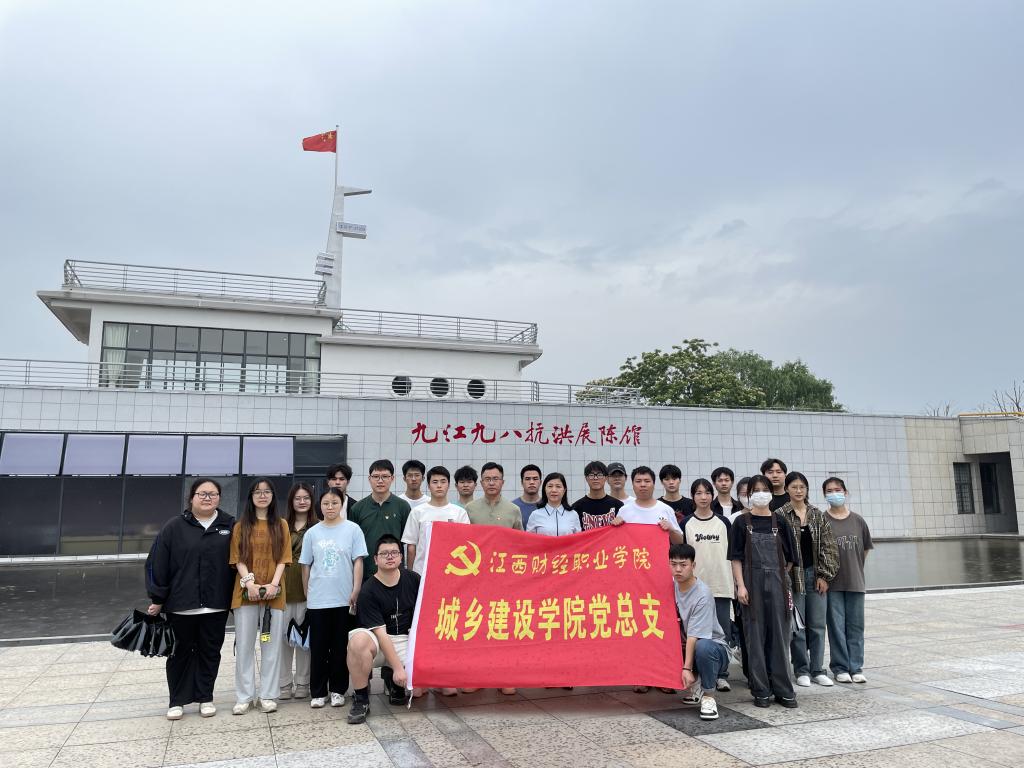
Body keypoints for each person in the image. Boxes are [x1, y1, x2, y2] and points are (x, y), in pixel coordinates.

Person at [146, 478, 235, 721]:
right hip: (181, 605)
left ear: (219, 498)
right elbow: (157, 563)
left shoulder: (229, 525)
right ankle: (177, 700)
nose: (207, 498)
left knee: (210, 652)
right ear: (192, 497)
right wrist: (158, 597)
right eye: (202, 493)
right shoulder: (174, 527)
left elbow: (238, 563)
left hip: (216, 604)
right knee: (179, 653)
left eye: (213, 494)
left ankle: (205, 697)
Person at [729, 475, 796, 708]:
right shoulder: (741, 523)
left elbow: (791, 559)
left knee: (780, 636)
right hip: (751, 585)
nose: (760, 493)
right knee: (755, 638)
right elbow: (735, 558)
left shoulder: (781, 522)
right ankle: (761, 690)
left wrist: (779, 578)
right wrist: (741, 585)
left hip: (778, 584)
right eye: (755, 490)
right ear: (749, 495)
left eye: (764, 489)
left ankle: (784, 690)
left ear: (771, 492)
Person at [299, 487, 367, 709]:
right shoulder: (312, 533)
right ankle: (318, 692)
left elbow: (358, 561)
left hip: (343, 598)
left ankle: (338, 690)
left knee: (340, 647)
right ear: (320, 506)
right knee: (318, 647)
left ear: (342, 505)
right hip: (318, 598)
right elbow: (305, 566)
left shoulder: (353, 529)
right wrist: (307, 592)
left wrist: (356, 589)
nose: (330, 507)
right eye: (326, 503)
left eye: (334, 503)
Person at [230, 478, 292, 715]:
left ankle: (267, 695)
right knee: (245, 646)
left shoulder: (281, 525)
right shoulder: (241, 526)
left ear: (273, 496)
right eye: (257, 492)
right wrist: (250, 584)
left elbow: (283, 558)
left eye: (267, 492)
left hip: (274, 594)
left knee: (270, 645)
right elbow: (238, 559)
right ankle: (244, 696)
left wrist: (273, 585)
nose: (262, 495)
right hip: (245, 593)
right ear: (251, 497)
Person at [346, 534, 422, 724]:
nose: (390, 557)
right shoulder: (368, 590)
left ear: (401, 557)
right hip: (378, 641)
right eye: (384, 553)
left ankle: (391, 680)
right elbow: (381, 634)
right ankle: (361, 698)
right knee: (358, 642)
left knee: (420, 689)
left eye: (394, 552)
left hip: (405, 638)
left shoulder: (413, 579)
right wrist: (398, 668)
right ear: (375, 559)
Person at [779, 472, 839, 689]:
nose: (798, 491)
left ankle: (817, 670)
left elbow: (829, 547)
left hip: (815, 575)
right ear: (787, 489)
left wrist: (824, 575)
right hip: (792, 577)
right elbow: (778, 549)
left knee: (818, 625)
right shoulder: (780, 515)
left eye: (802, 487)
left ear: (806, 489)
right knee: (798, 626)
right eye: (794, 487)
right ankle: (801, 670)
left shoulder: (817, 514)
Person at [682, 478, 735, 686]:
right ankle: (698, 675)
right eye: (698, 493)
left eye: (707, 493)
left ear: (712, 496)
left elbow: (733, 555)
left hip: (721, 585)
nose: (703, 497)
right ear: (692, 496)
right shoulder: (686, 523)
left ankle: (721, 675)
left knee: (721, 633)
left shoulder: (723, 522)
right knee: (695, 634)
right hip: (694, 589)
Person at [670, 543, 731, 721]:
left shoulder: (702, 595)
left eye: (683, 564)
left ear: (693, 566)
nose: (678, 569)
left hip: (714, 649)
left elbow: (694, 636)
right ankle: (697, 683)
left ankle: (709, 697)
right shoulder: (670, 586)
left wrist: (686, 668)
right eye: (673, 564)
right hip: (686, 644)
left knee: (703, 647)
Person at [823, 477, 873, 684]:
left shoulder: (858, 520)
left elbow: (865, 548)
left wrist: (855, 568)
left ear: (845, 492)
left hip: (855, 582)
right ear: (824, 495)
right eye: (829, 490)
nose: (834, 493)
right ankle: (840, 667)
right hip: (832, 584)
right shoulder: (822, 520)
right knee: (836, 627)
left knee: (856, 626)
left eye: (838, 489)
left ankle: (856, 667)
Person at [279, 482, 317, 701]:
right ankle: (284, 683)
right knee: (282, 640)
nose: (302, 502)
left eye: (306, 498)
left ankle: (303, 682)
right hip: (282, 591)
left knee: (305, 639)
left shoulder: (318, 527)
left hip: (307, 591)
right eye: (297, 498)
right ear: (291, 501)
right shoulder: (281, 526)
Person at [349, 460, 412, 579]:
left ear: (392, 478)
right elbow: (353, 543)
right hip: (366, 573)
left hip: (395, 573)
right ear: (369, 479)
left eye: (385, 476)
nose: (380, 481)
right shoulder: (357, 508)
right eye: (376, 476)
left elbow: (407, 541)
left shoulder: (402, 506)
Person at [402, 466, 471, 575]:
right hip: (422, 571)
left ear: (449, 485)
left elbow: (465, 544)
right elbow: (411, 547)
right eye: (435, 482)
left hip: (451, 571)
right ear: (428, 486)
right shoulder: (417, 512)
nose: (439, 485)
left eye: (443, 482)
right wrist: (411, 575)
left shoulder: (459, 513)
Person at [466, 462, 525, 530]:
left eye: (495, 479)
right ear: (481, 483)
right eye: (487, 479)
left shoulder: (514, 510)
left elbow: (519, 536)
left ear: (502, 482)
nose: (491, 483)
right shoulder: (470, 508)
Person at [526, 472, 582, 536]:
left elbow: (578, 540)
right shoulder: (535, 515)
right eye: (550, 486)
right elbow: (529, 539)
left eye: (558, 486)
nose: (554, 490)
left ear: (564, 490)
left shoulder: (573, 515)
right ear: (545, 489)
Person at [572, 460, 623, 530]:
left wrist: (622, 522)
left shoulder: (618, 506)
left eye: (599, 475)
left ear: (606, 478)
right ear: (586, 478)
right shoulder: (576, 507)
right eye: (591, 475)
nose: (595, 478)